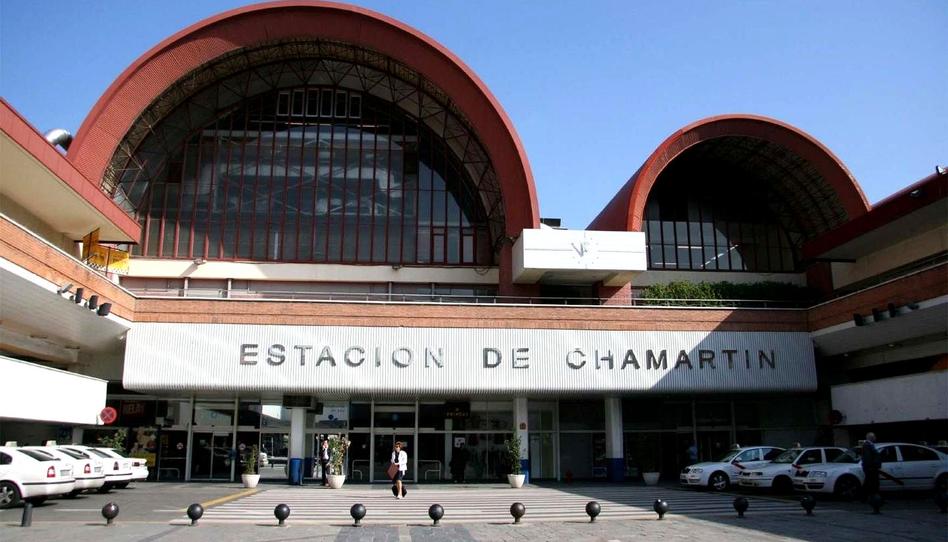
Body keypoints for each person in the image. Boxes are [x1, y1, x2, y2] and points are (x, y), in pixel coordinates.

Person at [861, 432, 881, 500]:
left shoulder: (870, 445)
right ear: (871, 438)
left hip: (870, 467)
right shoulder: (867, 445)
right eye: (874, 436)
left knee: (869, 482)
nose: (875, 438)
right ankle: (870, 497)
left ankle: (867, 497)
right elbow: (868, 457)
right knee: (872, 482)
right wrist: (871, 466)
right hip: (871, 468)